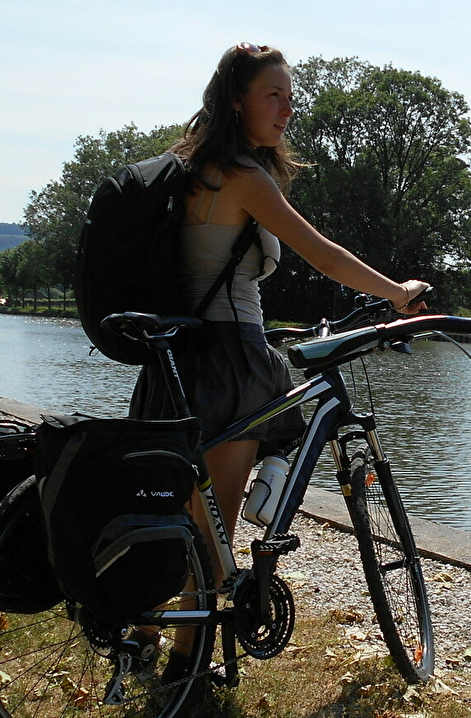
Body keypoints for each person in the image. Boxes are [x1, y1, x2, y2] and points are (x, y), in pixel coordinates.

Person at [132, 42, 430, 529]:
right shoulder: (241, 176)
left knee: (183, 526)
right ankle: (217, 583)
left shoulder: (188, 169)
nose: (288, 109)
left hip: (178, 357)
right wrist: (398, 292)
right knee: (215, 538)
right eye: (273, 95)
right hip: (227, 363)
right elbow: (323, 255)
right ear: (235, 100)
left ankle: (263, 490)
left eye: (290, 97)